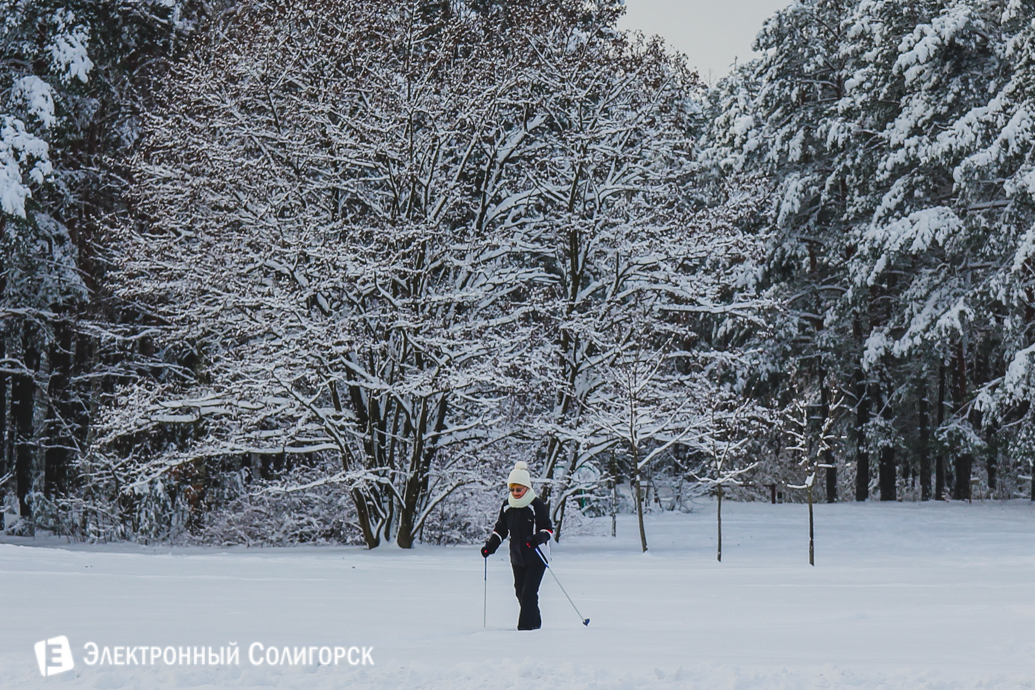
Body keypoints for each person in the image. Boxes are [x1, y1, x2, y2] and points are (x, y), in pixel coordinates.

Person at [480, 461, 553, 630]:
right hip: (517, 558)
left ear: (526, 488)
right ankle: (535, 623)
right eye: (512, 489)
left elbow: (547, 529)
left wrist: (537, 539)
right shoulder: (507, 506)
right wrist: (490, 547)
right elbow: (501, 530)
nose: (515, 492)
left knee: (529, 594)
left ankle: (524, 631)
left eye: (518, 489)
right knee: (520, 592)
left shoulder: (535, 505)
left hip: (537, 557)